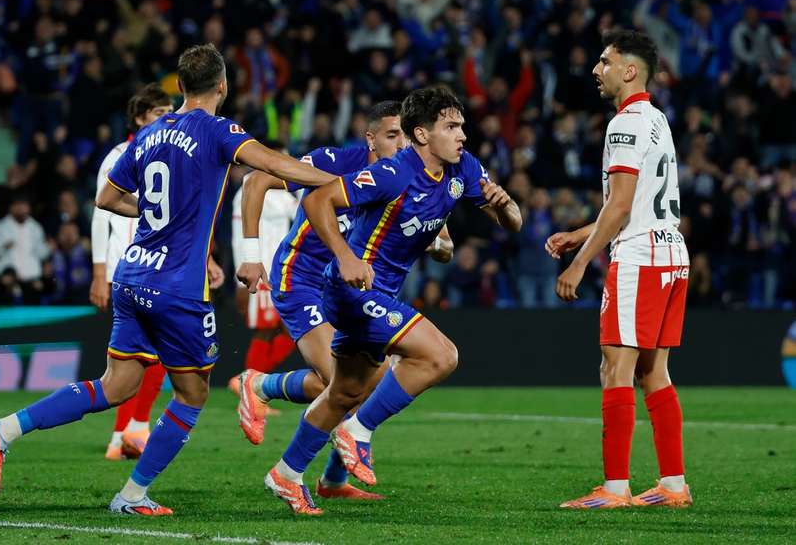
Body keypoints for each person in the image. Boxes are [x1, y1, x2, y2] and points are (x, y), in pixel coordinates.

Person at [0, 43, 337, 516]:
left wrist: (151, 214)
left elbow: (106, 197)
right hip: (176, 287)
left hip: (133, 275)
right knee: (193, 393)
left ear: (180, 87)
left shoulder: (149, 134)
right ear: (222, 87)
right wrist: (338, 182)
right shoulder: (218, 130)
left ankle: (5, 429)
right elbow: (273, 165)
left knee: (116, 385)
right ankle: (132, 495)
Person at [262, 86, 522, 515]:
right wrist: (344, 257)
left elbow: (512, 223)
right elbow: (318, 199)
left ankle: (286, 474)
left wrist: (506, 203)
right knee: (440, 356)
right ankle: (357, 433)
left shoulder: (464, 169)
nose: (462, 136)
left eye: (462, 126)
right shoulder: (394, 173)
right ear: (421, 134)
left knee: (344, 391)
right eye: (451, 127)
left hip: (380, 295)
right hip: (352, 291)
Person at [237, 101, 449, 501]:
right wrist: (250, 252)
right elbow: (256, 182)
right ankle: (264, 390)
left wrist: (438, 242)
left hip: (352, 291)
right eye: (391, 135)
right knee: (342, 384)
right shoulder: (333, 162)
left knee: (362, 383)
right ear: (370, 138)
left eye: (405, 134)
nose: (401, 142)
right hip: (302, 280)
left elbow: (442, 242)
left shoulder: (409, 176)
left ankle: (329, 476)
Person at [546, 29, 692, 509]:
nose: (596, 69)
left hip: (639, 257)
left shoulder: (624, 124)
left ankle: (614, 490)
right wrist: (581, 233)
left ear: (629, 70)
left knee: (616, 366)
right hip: (672, 251)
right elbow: (635, 203)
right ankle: (673, 485)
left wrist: (580, 261)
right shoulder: (657, 120)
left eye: (605, 61)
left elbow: (623, 206)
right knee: (655, 372)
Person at [90, 83, 175, 462]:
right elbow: (99, 215)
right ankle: (123, 434)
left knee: (157, 356)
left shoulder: (171, 154)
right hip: (126, 268)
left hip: (162, 267)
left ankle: (131, 432)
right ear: (140, 118)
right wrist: (98, 272)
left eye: (170, 111)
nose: (167, 118)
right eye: (159, 113)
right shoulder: (118, 156)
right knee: (132, 359)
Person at [228, 140, 299, 402]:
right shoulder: (251, 187)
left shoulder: (283, 192)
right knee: (267, 330)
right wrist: (240, 279)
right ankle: (250, 384)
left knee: (290, 331)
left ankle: (250, 382)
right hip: (261, 273)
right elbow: (238, 236)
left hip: (282, 272)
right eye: (284, 158)